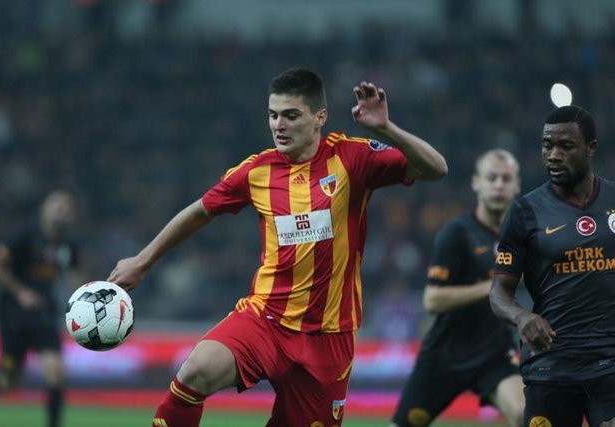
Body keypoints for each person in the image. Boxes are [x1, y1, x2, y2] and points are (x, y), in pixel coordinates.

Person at [107, 67, 447, 427]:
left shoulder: (352, 158)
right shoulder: (257, 171)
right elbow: (199, 212)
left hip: (329, 337)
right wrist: (142, 261)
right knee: (195, 372)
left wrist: (385, 129)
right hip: (266, 320)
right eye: (273, 115)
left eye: (291, 115)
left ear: (320, 118)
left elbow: (436, 168)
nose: (279, 125)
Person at [489, 105, 615, 427]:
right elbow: (499, 293)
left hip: (609, 362)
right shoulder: (525, 212)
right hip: (551, 365)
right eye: (547, 146)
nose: (553, 155)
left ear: (591, 148)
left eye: (566, 146)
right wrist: (522, 316)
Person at [390, 149, 524, 427]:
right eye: (492, 178)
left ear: (517, 185)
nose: (499, 185)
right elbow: (432, 300)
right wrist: (494, 287)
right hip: (445, 355)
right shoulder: (457, 233)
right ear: (476, 183)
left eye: (506, 178)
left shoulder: (522, 235)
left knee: (526, 415)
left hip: (494, 352)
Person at [0, 190, 82, 427]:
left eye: (66, 210)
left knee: (56, 371)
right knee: (9, 379)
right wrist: (20, 292)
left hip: (44, 313)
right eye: (57, 207)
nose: (62, 213)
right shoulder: (24, 236)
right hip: (14, 314)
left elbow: (75, 278)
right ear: (44, 211)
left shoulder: (69, 246)